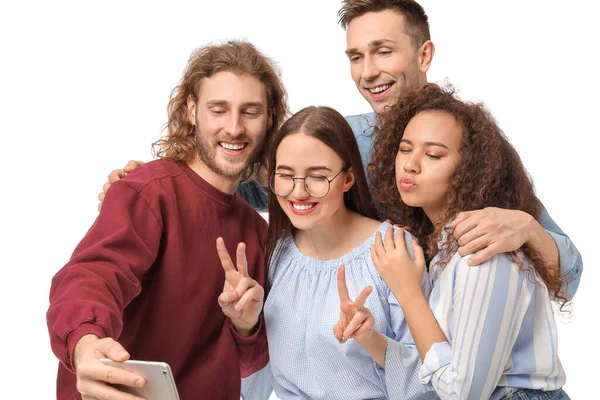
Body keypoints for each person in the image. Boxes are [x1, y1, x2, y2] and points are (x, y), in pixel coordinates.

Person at [99, 0, 582, 301]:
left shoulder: (474, 142)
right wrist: (156, 179)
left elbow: (572, 269)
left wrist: (525, 228)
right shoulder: (347, 140)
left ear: (425, 54)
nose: (369, 71)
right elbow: (240, 176)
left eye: (383, 51)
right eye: (356, 56)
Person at [46, 40, 288, 400]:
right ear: (192, 110)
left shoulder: (259, 234)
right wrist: (85, 342)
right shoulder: (148, 193)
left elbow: (249, 363)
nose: (234, 128)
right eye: (218, 110)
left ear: (269, 119)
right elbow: (92, 275)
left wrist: (246, 323)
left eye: (250, 111)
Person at [368, 83, 569, 399]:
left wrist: (408, 292)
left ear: (469, 170)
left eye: (433, 154)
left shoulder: (482, 255)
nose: (410, 164)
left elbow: (462, 395)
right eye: (405, 149)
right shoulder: (444, 247)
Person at [239, 105, 436, 399]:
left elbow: (432, 381)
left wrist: (372, 340)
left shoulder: (394, 250)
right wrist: (246, 328)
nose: (298, 192)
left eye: (317, 176)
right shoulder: (275, 254)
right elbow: (254, 390)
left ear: (347, 179)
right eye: (285, 174)